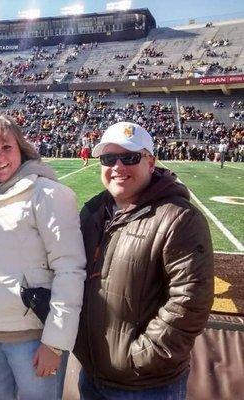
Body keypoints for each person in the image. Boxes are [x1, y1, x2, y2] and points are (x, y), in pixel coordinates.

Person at [74, 121, 214, 400]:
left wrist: (139, 357)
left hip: (145, 385)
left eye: (130, 157)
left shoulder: (179, 218)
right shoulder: (93, 212)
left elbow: (191, 301)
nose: (118, 166)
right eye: (108, 158)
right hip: (92, 375)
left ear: (150, 162)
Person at [0, 115, 86, 400]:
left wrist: (55, 343)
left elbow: (70, 269)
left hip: (30, 338)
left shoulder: (47, 193)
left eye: (6, 147)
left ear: (22, 149)